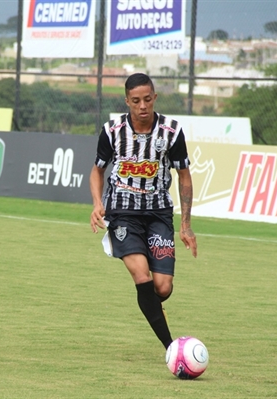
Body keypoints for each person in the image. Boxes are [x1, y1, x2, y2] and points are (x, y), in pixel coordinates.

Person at [89, 73, 197, 351]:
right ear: (127, 101)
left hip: (159, 213)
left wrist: (185, 224)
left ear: (155, 98)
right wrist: (97, 203)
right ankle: (171, 348)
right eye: (135, 101)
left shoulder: (171, 131)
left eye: (147, 99)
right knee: (141, 276)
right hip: (123, 214)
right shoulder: (112, 130)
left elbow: (184, 175)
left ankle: (150, 304)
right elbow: (97, 170)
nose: (142, 106)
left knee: (162, 288)